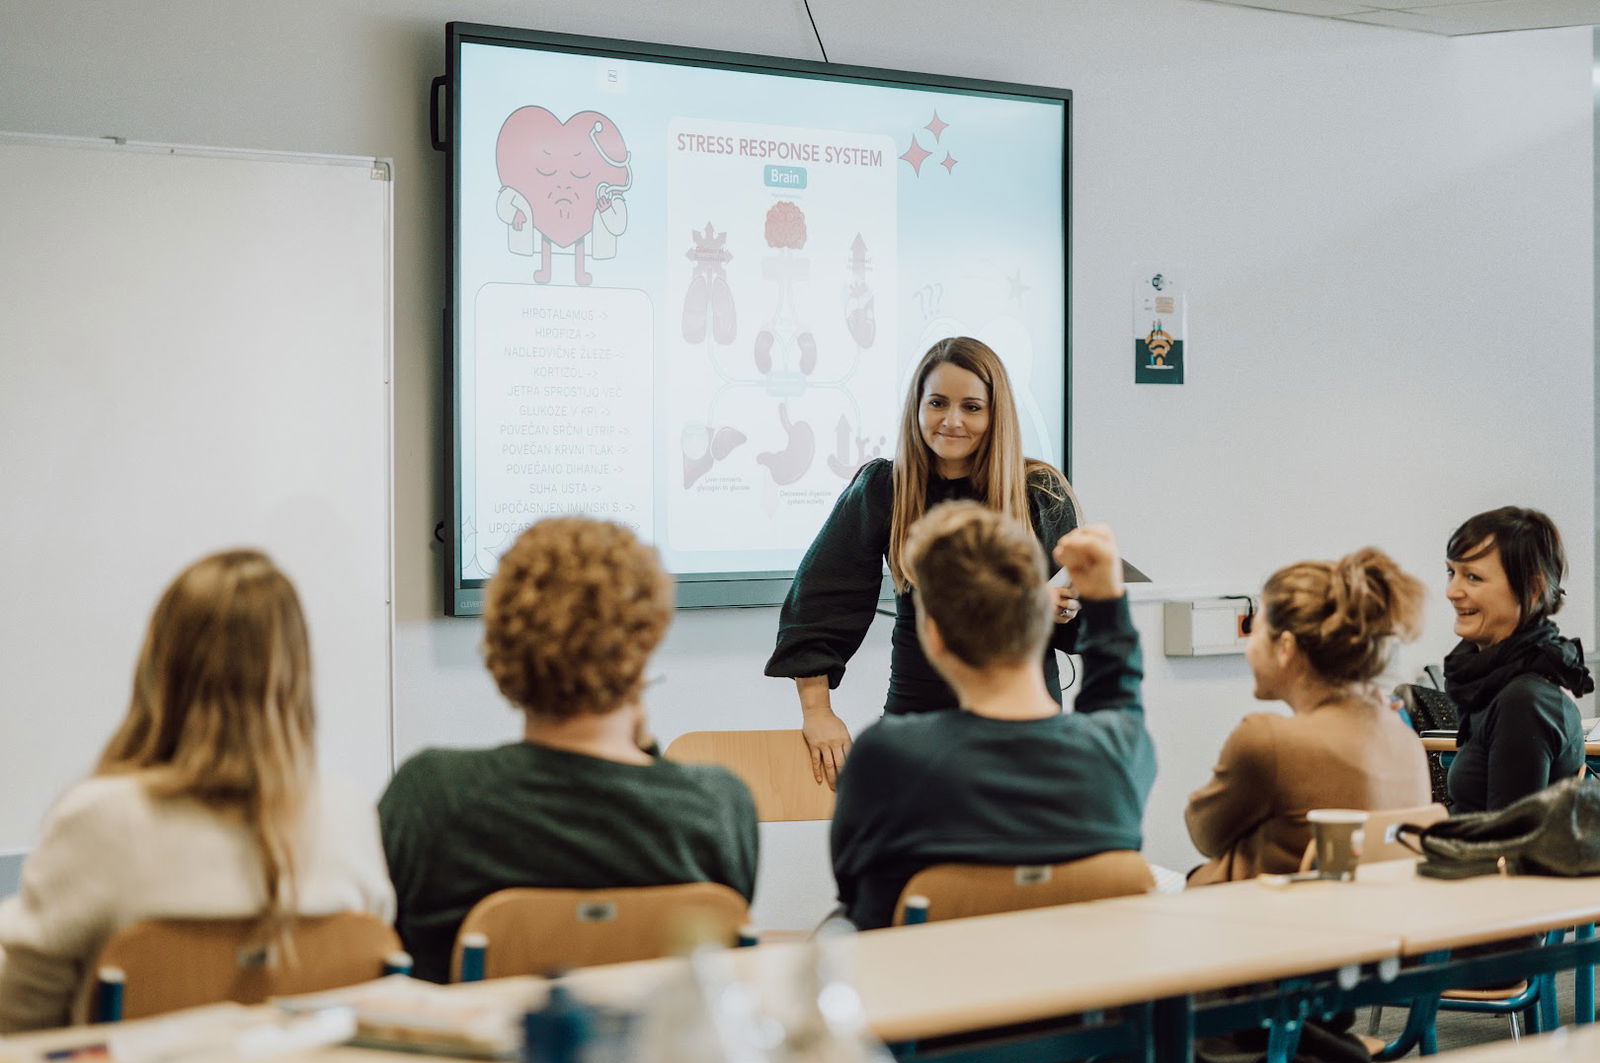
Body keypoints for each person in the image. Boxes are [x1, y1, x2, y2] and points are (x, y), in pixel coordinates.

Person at [0, 550, 394, 1032]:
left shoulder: (97, 821)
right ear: (296, 678)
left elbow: (18, 1021)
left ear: (162, 666)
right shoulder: (348, 814)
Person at [380, 517, 758, 982]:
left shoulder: (432, 795)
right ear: (643, 642)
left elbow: (389, 962)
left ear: (502, 641)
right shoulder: (717, 806)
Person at [766, 336, 1083, 789]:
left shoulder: (1039, 491)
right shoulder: (883, 489)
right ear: (916, 406)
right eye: (937, 402)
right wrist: (817, 713)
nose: (952, 421)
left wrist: (1064, 609)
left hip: (1027, 739)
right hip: (916, 732)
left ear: (996, 415)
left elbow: (1079, 624)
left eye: (972, 407)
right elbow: (819, 603)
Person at [828, 504, 1155, 930]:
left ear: (934, 637)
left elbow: (859, 899)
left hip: (933, 993)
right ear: (1043, 619)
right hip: (1081, 995)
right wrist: (1108, 603)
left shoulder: (886, 756)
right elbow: (1118, 697)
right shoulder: (1117, 752)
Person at [1185, 548, 1432, 887]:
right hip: (1362, 930)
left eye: (1254, 631)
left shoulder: (1267, 740)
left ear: (1285, 647)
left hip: (1258, 929)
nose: (1248, 648)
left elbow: (1204, 836)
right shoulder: (1405, 738)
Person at [1442, 507, 1593, 813]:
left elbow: (1509, 844)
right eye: (1452, 573)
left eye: (1473, 577)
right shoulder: (1492, 681)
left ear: (1533, 589)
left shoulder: (1523, 700)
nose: (1452, 591)